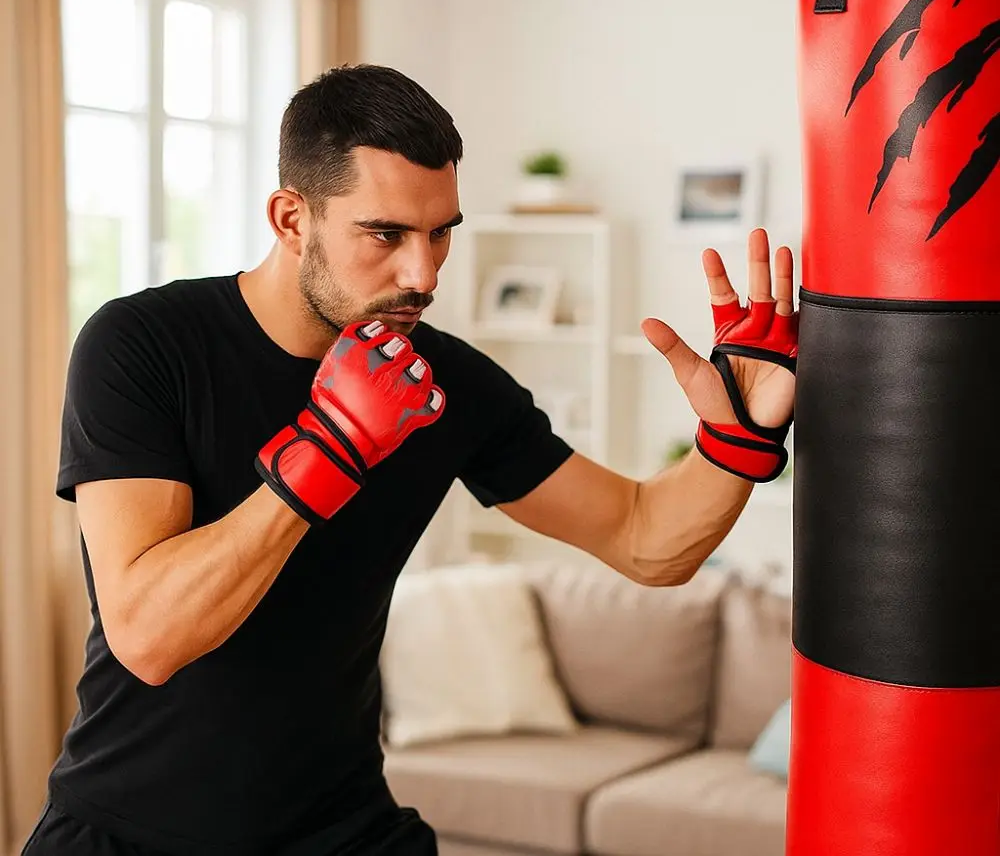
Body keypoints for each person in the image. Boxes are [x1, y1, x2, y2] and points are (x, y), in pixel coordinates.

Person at [23, 64, 797, 856]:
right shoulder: (144, 345)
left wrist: (736, 439)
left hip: (344, 830)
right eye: (386, 235)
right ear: (292, 219)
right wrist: (330, 449)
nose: (422, 274)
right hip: (128, 833)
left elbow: (644, 539)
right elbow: (150, 638)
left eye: (441, 232)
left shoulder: (445, 381)